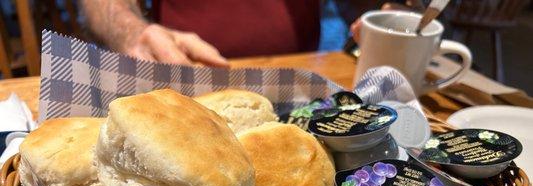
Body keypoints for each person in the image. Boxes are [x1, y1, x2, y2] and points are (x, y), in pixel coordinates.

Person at [80, 0, 420, 66]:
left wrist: (391, 14)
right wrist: (131, 31)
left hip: (299, 83)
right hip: (181, 74)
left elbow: (369, 7)